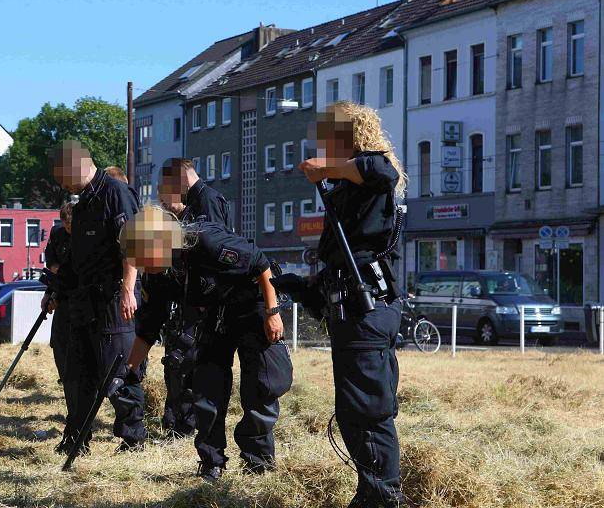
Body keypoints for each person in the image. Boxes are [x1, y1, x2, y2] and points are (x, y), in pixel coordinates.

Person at [274, 101, 408, 507]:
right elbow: (333, 273)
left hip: (368, 312)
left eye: (326, 139)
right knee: (354, 411)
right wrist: (291, 284)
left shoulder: (373, 174)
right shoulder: (348, 189)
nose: (319, 148)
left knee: (367, 410)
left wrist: (328, 170)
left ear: (346, 137)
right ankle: (372, 490)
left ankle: (383, 497)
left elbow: (380, 170)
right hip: (351, 312)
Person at [121, 206, 291, 482]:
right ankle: (212, 462)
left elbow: (261, 264)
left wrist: (272, 313)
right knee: (206, 387)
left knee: (263, 384)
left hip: (254, 304)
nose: (141, 265)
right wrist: (128, 372)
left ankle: (257, 462)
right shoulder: (159, 272)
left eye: (142, 256)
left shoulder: (207, 242)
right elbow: (148, 327)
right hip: (215, 313)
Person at [49, 139, 146, 453]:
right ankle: (77, 439)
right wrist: (56, 291)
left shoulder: (116, 194)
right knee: (77, 375)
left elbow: (133, 245)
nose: (63, 185)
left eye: (63, 177)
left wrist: (128, 290)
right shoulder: (82, 205)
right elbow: (75, 262)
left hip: (114, 303)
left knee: (117, 374)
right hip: (83, 302)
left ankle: (133, 438)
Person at [151, 157, 233, 437]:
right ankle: (177, 422)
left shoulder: (208, 201)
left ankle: (187, 425)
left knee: (190, 363)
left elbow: (214, 250)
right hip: (189, 296)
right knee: (179, 363)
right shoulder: (193, 203)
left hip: (204, 300)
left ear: (180, 178)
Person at [42, 201, 81, 453]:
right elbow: (52, 264)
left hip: (80, 299)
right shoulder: (57, 234)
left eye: (71, 227)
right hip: (61, 294)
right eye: (65, 226)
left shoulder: (88, 235)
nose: (68, 231)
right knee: (59, 346)